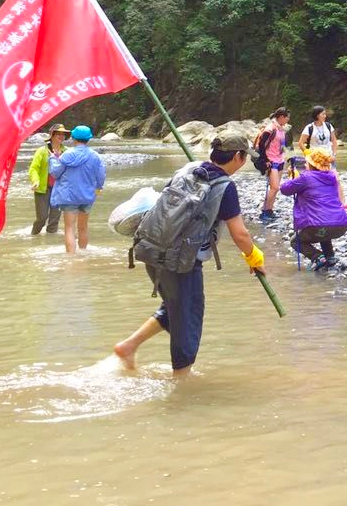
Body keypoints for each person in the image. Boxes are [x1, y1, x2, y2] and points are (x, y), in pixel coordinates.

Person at [113, 133, 266, 375]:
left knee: (176, 306)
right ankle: (181, 384)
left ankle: (128, 346)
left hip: (152, 251)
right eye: (245, 156)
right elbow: (240, 234)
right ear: (237, 156)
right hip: (181, 263)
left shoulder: (188, 170)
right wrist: (253, 256)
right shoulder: (225, 187)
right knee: (188, 320)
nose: (245, 161)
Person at [281, 146, 347, 270]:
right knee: (324, 231)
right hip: (341, 225)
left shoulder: (306, 178)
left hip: (318, 225)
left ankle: (317, 257)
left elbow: (285, 189)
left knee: (295, 241)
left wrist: (292, 177)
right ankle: (330, 257)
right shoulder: (332, 177)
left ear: (311, 164)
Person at [49, 125, 106, 254]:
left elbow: (55, 173)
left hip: (69, 196)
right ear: (89, 139)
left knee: (69, 228)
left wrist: (53, 158)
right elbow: (101, 176)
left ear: (73, 138)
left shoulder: (67, 154)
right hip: (87, 196)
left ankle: (71, 258)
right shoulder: (95, 156)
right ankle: (83, 253)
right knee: (83, 227)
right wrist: (98, 188)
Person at [28, 124, 67, 234]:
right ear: (52, 135)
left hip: (59, 189)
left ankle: (50, 243)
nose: (61, 136)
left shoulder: (67, 151)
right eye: (58, 134)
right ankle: (33, 237)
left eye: (63, 134)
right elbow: (34, 168)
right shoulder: (42, 151)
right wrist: (35, 181)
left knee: (54, 220)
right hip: (42, 188)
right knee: (42, 218)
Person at [255, 107, 290, 224]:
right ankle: (264, 211)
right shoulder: (270, 128)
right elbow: (261, 144)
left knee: (274, 188)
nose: (288, 119)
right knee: (275, 187)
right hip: (271, 160)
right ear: (281, 117)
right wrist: (265, 159)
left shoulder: (281, 129)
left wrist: (287, 156)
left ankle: (269, 210)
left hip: (279, 160)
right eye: (287, 117)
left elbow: (282, 145)